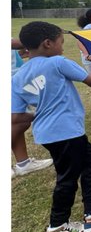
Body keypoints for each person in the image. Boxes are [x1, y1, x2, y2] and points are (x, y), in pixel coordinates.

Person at [11, 20, 91, 232]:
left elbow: (16, 116)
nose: (63, 47)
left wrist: (41, 115)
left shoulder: (16, 78)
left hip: (47, 134)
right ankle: (56, 227)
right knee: (68, 177)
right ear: (47, 43)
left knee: (90, 160)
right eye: (61, 42)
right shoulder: (57, 62)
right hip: (66, 132)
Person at [10, 36, 53, 177]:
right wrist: (37, 38)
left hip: (15, 75)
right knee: (19, 120)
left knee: (17, 123)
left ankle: (23, 163)